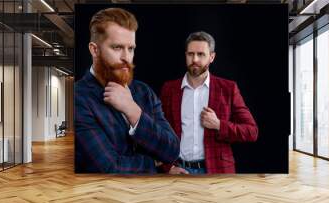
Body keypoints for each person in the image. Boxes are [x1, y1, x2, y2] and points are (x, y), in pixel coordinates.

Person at [74, 8, 180, 173]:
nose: (126, 57)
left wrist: (132, 110)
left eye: (130, 48)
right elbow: (110, 169)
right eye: (117, 48)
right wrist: (157, 164)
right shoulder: (78, 98)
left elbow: (172, 150)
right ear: (94, 49)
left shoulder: (143, 92)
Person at [160, 31, 258, 174]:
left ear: (212, 57)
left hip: (217, 170)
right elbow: (158, 132)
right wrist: (167, 167)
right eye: (190, 54)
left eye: (201, 54)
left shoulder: (228, 89)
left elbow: (251, 131)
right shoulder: (169, 89)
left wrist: (219, 124)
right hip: (178, 171)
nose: (195, 59)